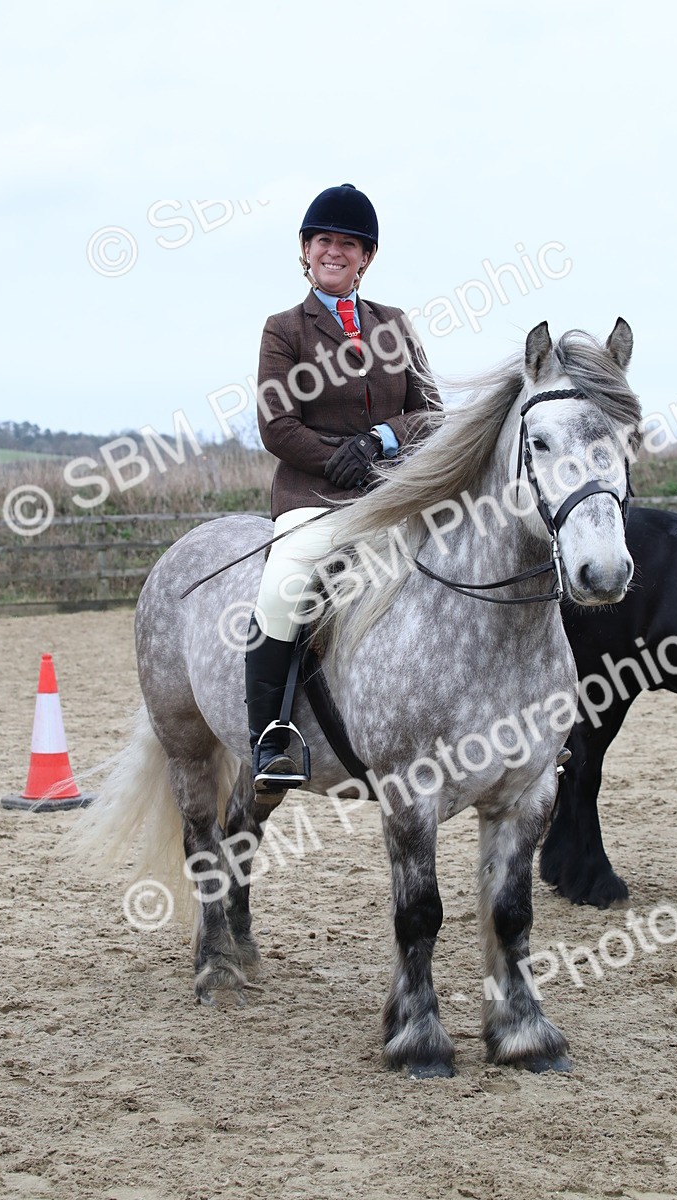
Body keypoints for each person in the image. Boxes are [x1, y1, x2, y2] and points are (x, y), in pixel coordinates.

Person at [246, 183, 440, 791]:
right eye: (324, 241)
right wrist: (341, 458)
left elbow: (431, 410)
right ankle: (270, 741)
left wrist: (380, 440)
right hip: (314, 501)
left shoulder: (395, 325)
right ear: (306, 251)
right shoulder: (284, 330)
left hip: (393, 493)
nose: (335, 251)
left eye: (348, 244)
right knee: (281, 589)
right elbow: (276, 425)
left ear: (366, 257)